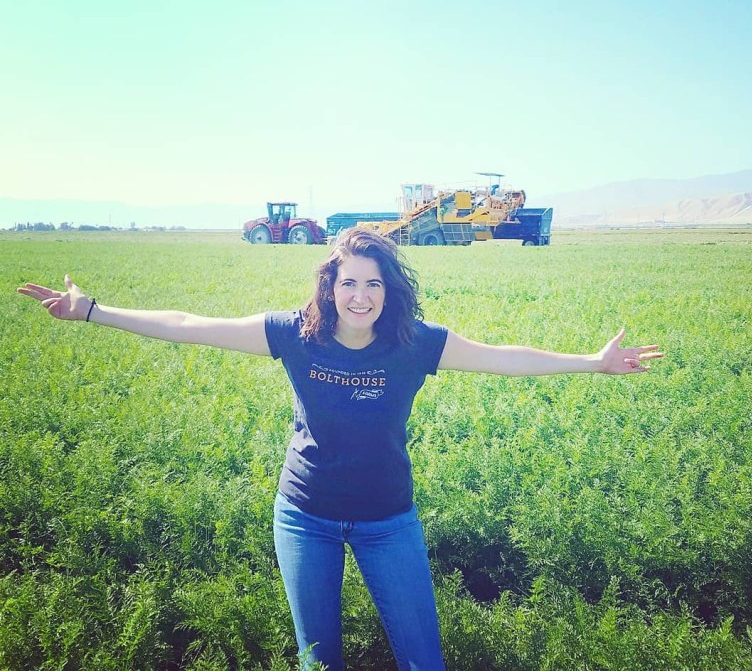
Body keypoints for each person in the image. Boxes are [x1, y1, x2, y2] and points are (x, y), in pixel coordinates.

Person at [17, 227, 663, 671]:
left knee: (424, 661)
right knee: (318, 661)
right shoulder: (295, 335)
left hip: (389, 520)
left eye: (373, 284)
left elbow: (503, 358)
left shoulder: (414, 342)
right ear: (330, 286)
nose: (361, 296)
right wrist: (93, 310)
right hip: (305, 516)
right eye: (349, 283)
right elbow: (191, 326)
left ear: (389, 290)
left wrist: (593, 362)